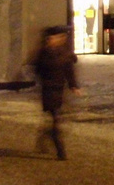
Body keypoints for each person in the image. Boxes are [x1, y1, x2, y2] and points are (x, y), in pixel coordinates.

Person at [34, 25, 81, 160]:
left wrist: (73, 86)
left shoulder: (64, 54)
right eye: (53, 38)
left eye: (59, 37)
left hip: (59, 90)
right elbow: (38, 70)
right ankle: (60, 150)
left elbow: (69, 71)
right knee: (55, 119)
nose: (56, 40)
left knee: (55, 118)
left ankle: (44, 137)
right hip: (48, 90)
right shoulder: (44, 53)